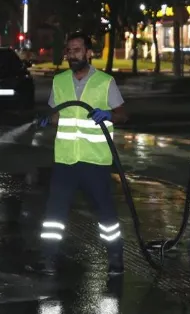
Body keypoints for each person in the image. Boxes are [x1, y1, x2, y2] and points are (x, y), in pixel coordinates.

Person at [35, 32, 129, 276]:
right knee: (54, 213)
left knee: (105, 211)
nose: (72, 54)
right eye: (69, 50)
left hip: (94, 160)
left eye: (77, 50)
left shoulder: (105, 82)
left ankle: (116, 257)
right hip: (65, 160)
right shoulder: (60, 81)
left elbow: (122, 114)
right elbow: (59, 114)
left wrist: (108, 114)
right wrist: (47, 119)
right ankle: (48, 258)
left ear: (89, 53)